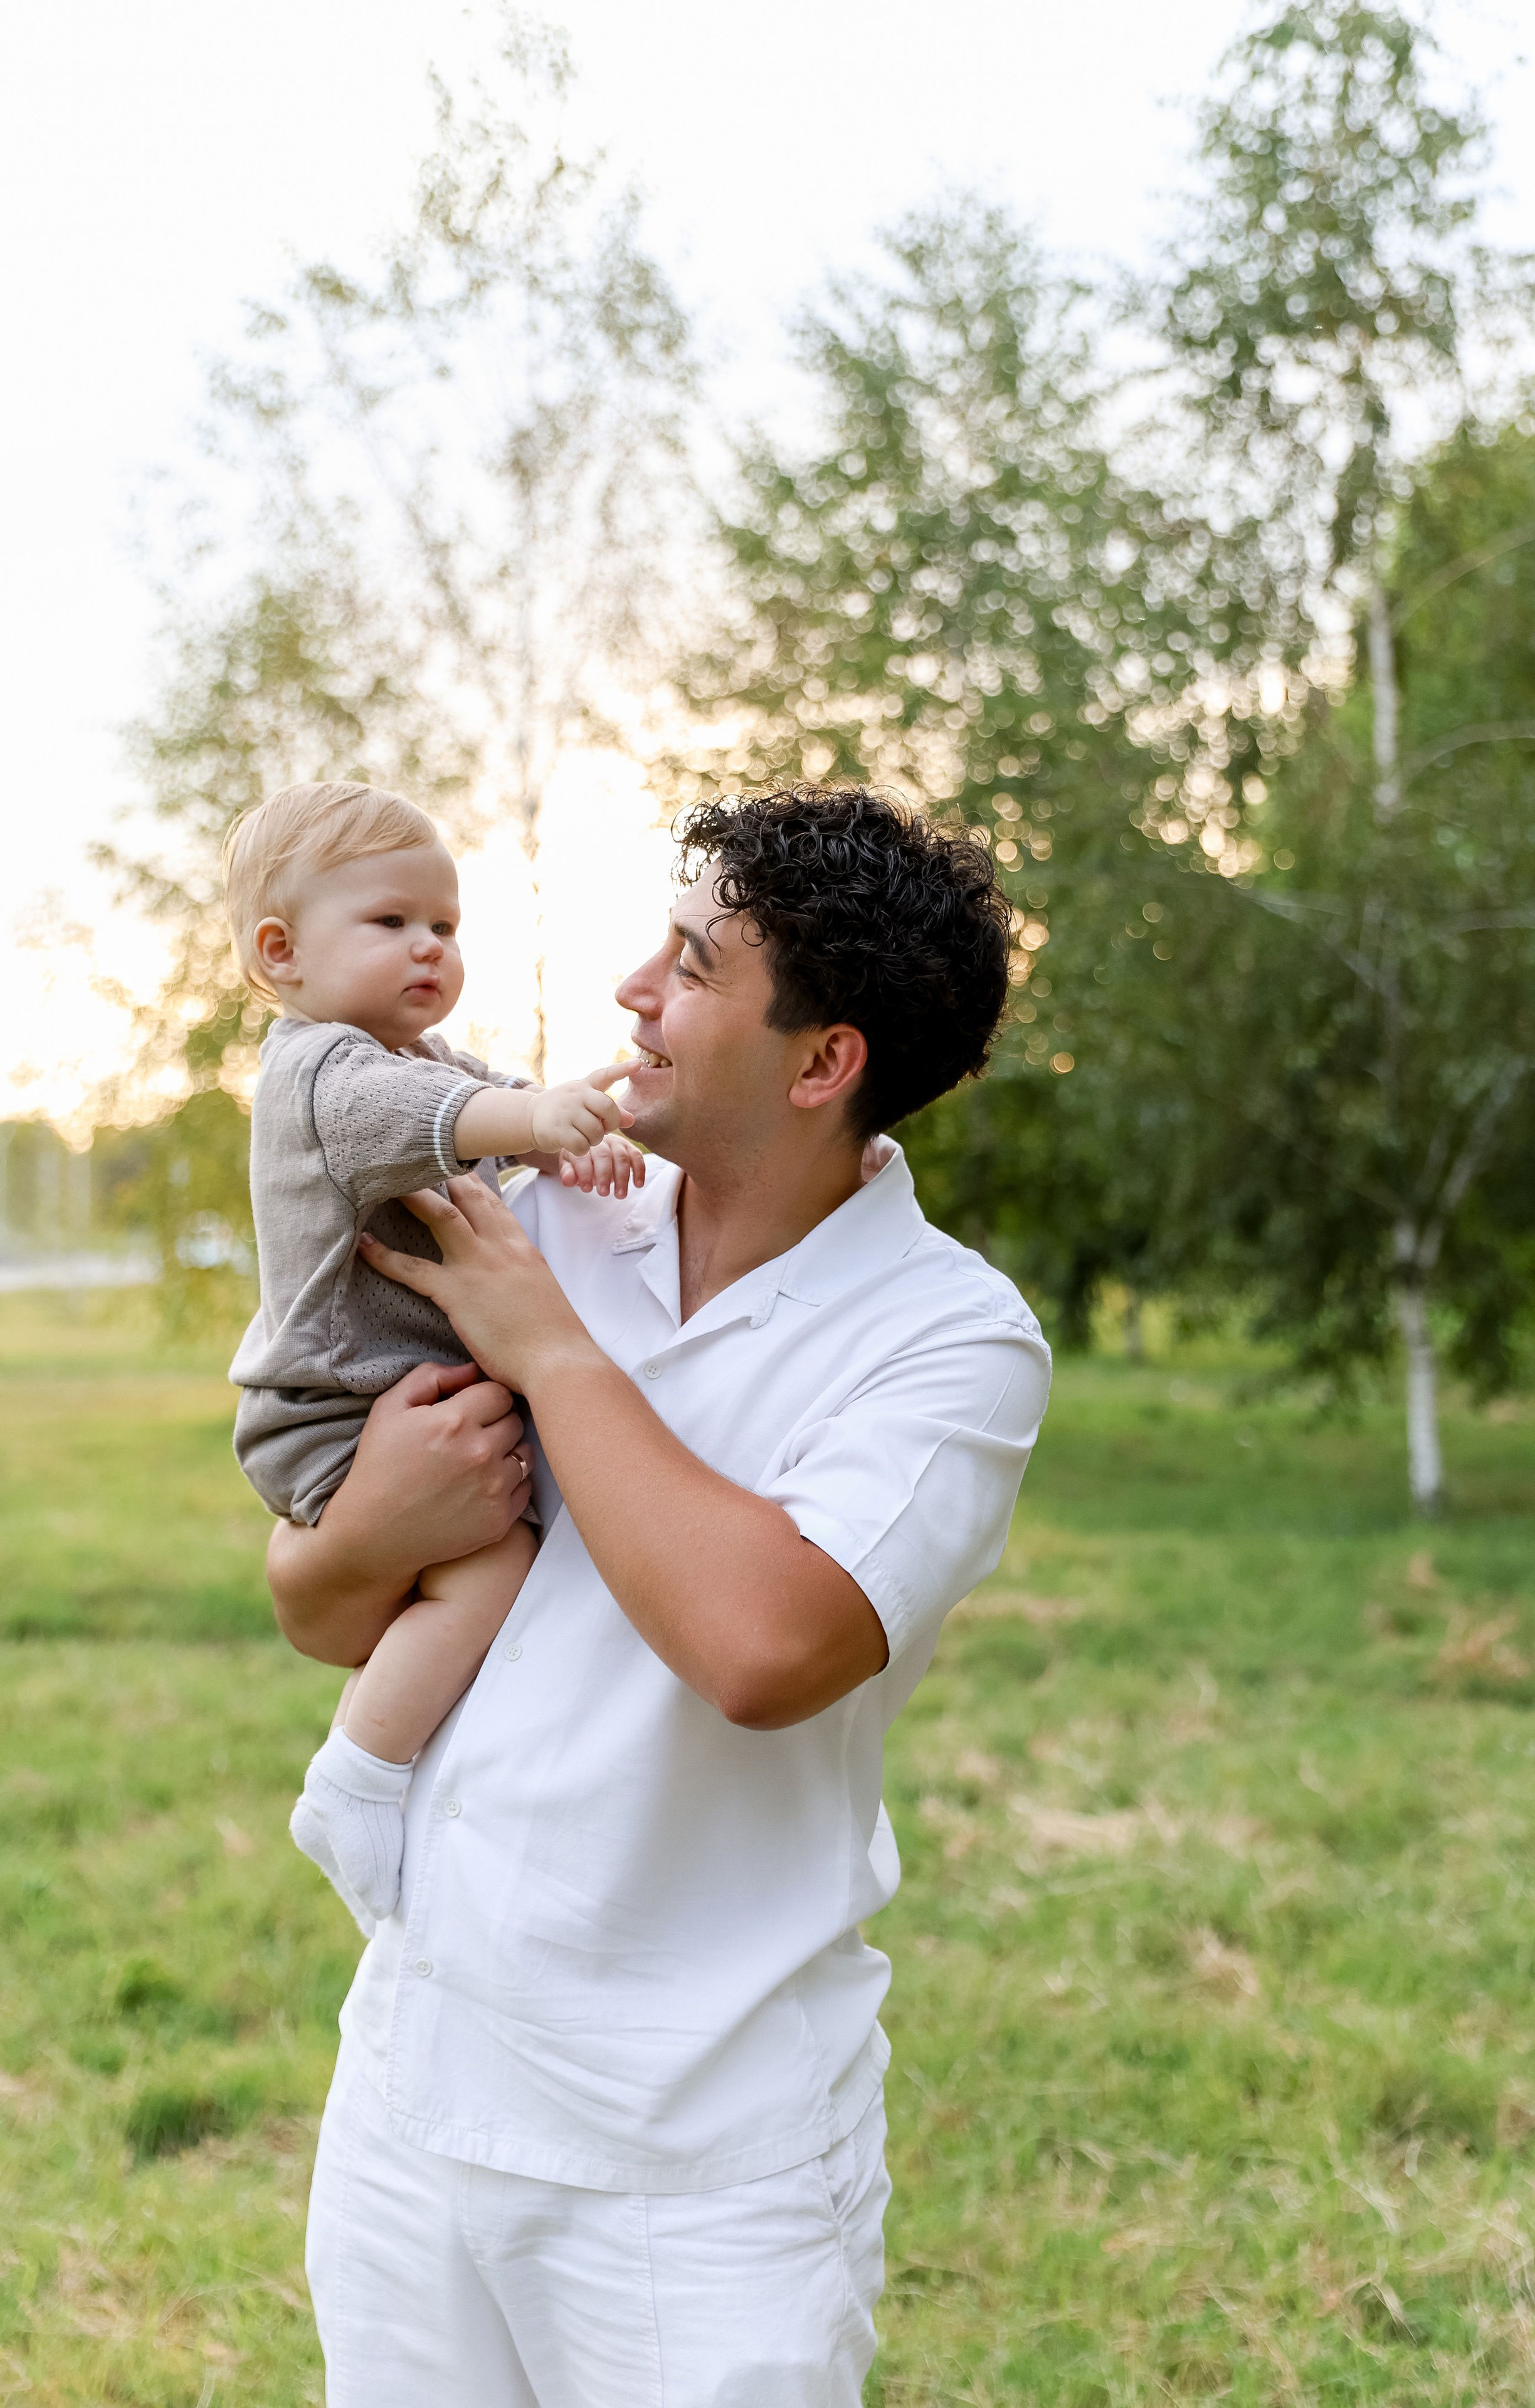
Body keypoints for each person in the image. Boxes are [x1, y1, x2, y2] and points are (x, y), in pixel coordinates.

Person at [268, 784, 1053, 2407]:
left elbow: (762, 1649)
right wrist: (368, 1531)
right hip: (421, 2088)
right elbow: (325, 1607)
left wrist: (548, 1352)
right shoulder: (532, 1204)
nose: (636, 987)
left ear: (822, 1060)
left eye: (694, 963)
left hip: (703, 2168)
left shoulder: (950, 1339)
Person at [224, 781, 643, 1932]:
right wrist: (537, 1123)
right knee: (490, 1566)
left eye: (447, 928)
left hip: (387, 1404)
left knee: (478, 1568)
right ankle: (358, 1777)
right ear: (284, 951)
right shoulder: (319, 1072)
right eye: (393, 922)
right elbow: (438, 1116)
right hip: (331, 1411)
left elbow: (488, 1095)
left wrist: (580, 1130)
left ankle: (400, 1762)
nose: (430, 948)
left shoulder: (420, 1053)